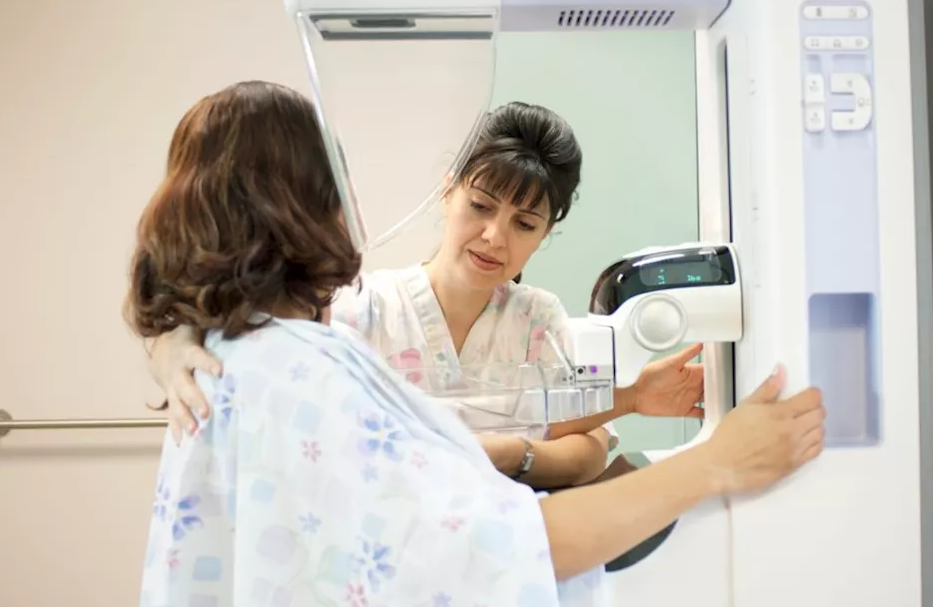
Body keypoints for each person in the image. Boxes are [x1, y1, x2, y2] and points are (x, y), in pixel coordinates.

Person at [125, 81, 824, 607]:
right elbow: (500, 546)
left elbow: (571, 437)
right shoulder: (330, 345)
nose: (495, 236)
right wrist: (717, 461)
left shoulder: (248, 351)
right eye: (337, 190)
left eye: (525, 222)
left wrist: (609, 409)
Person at [149, 101, 709, 489]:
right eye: (482, 206)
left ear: (545, 234)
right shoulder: (360, 306)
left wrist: (510, 454)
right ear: (448, 192)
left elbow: (587, 449)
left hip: (513, 547)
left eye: (525, 224)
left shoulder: (538, 318)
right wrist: (170, 345)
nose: (495, 238)